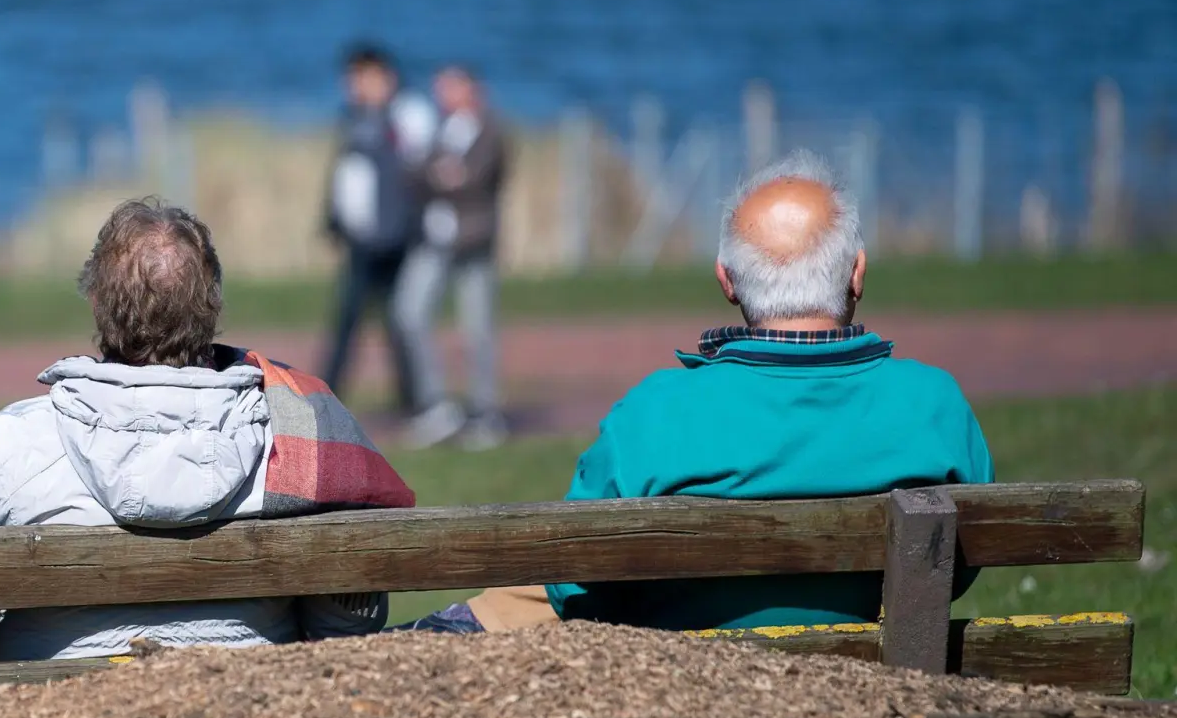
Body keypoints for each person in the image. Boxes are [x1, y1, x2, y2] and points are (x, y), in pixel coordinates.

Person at [395, 149, 993, 634]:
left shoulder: (657, 411)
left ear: (726, 280)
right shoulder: (934, 404)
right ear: (857, 271)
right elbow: (959, 562)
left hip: (687, 685)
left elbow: (572, 576)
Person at [0, 197, 415, 664]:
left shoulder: (8, 443)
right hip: (247, 711)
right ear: (212, 308)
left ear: (96, 301)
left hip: (42, 717)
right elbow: (348, 627)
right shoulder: (301, 430)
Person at [393, 64, 511, 449]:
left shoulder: (491, 129)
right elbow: (417, 174)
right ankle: (436, 406)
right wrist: (439, 173)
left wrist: (444, 175)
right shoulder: (441, 130)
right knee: (408, 313)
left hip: (473, 243)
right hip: (434, 238)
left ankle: (485, 413)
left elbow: (475, 178)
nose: (441, 94)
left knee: (476, 328)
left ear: (471, 88)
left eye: (449, 86)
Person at [320, 42, 437, 413]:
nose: (355, 85)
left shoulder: (406, 115)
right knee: (349, 320)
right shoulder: (354, 119)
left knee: (399, 322)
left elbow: (419, 171)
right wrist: (334, 219)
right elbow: (346, 177)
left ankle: (413, 401)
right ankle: (328, 397)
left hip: (396, 239)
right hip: (363, 239)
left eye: (362, 77)